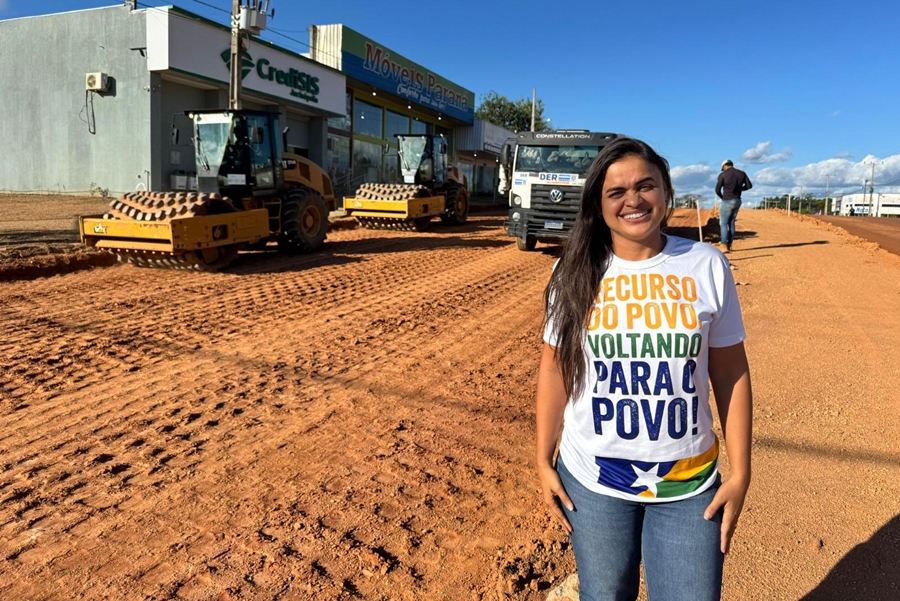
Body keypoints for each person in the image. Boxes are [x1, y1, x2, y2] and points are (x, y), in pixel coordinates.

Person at [535, 137, 753, 601]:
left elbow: (731, 372)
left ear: (666, 192)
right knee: (604, 595)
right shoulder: (574, 270)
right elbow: (555, 370)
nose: (632, 199)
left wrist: (741, 474)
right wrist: (542, 457)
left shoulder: (706, 265)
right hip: (593, 479)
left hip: (690, 481)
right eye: (616, 192)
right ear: (599, 203)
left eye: (645, 186)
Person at [715, 159, 752, 252]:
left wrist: (722, 197)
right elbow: (749, 185)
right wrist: (739, 189)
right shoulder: (742, 173)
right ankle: (730, 244)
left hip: (727, 200)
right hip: (737, 200)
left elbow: (717, 190)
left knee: (723, 223)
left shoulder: (723, 175)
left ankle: (724, 245)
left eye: (723, 168)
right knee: (731, 222)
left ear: (725, 166)